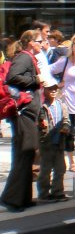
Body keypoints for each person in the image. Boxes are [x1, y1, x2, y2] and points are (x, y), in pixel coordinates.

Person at [1, 30, 45, 212]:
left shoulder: (28, 58)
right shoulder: (24, 58)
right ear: (30, 42)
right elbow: (12, 77)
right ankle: (12, 198)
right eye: (40, 40)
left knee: (27, 154)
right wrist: (35, 79)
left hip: (28, 113)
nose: (43, 43)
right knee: (24, 152)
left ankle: (23, 198)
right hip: (23, 113)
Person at [49, 34, 75, 172]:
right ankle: (71, 162)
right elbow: (49, 70)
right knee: (69, 133)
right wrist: (57, 84)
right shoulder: (65, 61)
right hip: (69, 101)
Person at [37, 78, 70, 202]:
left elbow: (66, 120)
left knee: (60, 168)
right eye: (50, 89)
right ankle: (44, 194)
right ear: (44, 90)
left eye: (55, 88)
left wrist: (65, 128)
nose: (53, 91)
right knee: (45, 169)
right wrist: (40, 124)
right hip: (46, 142)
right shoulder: (42, 107)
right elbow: (37, 122)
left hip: (59, 142)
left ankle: (58, 192)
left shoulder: (61, 105)